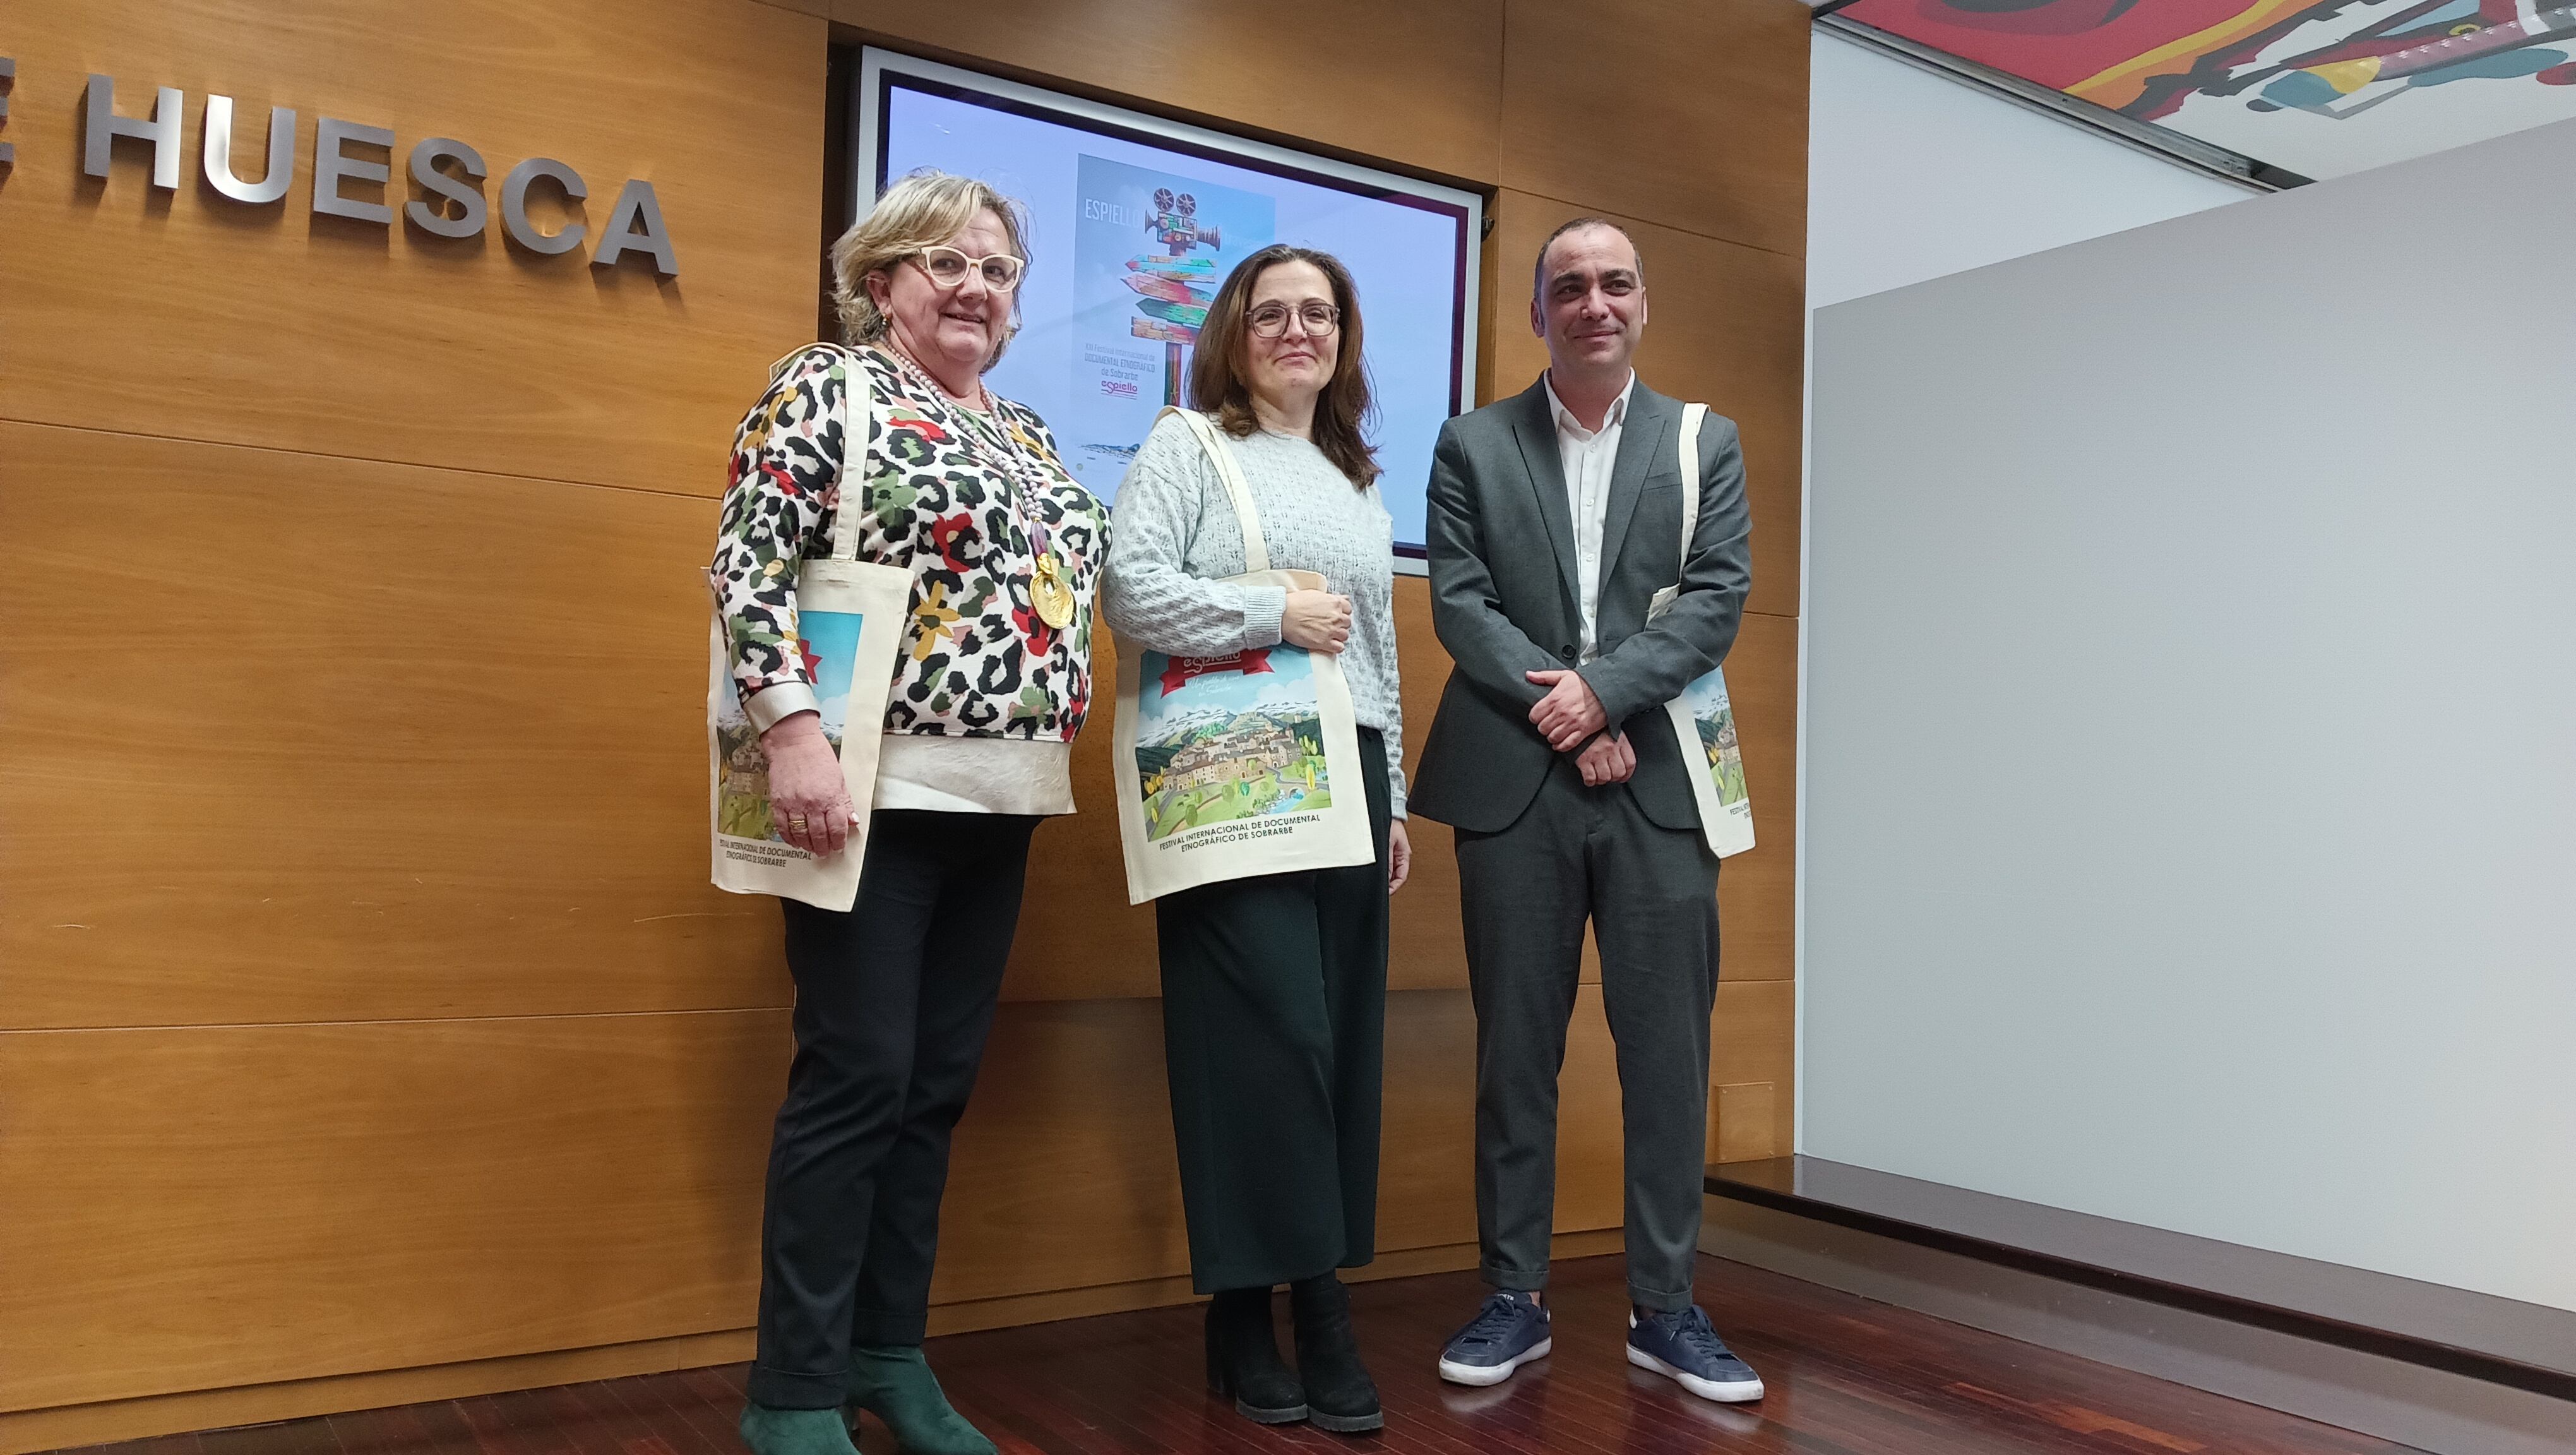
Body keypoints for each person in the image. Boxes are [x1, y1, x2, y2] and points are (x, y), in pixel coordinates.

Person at [708, 169, 1108, 1455]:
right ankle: (794, 1390)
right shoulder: (825, 386)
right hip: (866, 793)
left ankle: (889, 1354)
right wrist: (794, 735)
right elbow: (747, 566)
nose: (976, 288)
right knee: (856, 1078)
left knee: (933, 1089)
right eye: (947, 263)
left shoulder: (1033, 432)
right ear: (881, 281)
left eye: (996, 270)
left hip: (1005, 799)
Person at [1409, 218, 1763, 1403]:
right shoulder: (1471, 442)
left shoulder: (1704, 442)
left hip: (1661, 793)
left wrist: (1603, 698)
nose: (1595, 304)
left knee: (1669, 1057)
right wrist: (1564, 714)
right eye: (1571, 287)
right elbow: (1459, 602)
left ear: (1644, 305)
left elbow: (1716, 599)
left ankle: (1666, 1310)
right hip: (1515, 792)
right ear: (1537, 314)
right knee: (1519, 1054)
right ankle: (1513, 1297)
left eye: (1616, 285)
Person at [1101, 244, 1410, 1435]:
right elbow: (1129, 590)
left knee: (1334, 1048)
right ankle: (1309, 1309)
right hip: (1235, 770)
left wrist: (1395, 808)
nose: (1298, 331)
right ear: (1232, 331)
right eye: (1272, 312)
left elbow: (1376, 649)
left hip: (1354, 769)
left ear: (1343, 337)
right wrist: (1269, 609)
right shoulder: (1190, 445)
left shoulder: (1353, 477)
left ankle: (1245, 1312)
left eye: (1319, 314)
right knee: (1264, 1037)